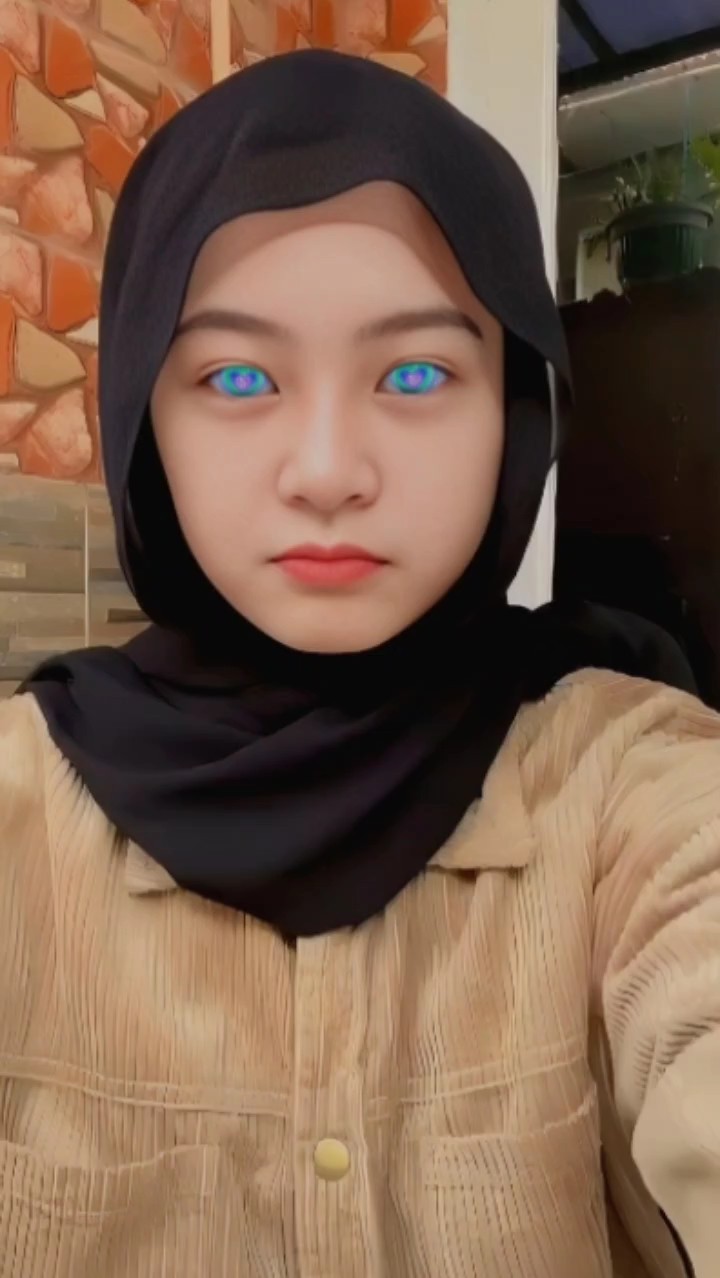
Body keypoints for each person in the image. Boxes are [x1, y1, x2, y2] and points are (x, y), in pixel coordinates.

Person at [0, 48, 717, 1278]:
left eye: (417, 372)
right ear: (143, 421)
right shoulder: (19, 812)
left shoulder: (618, 780)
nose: (329, 470)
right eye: (236, 376)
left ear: (514, 407)